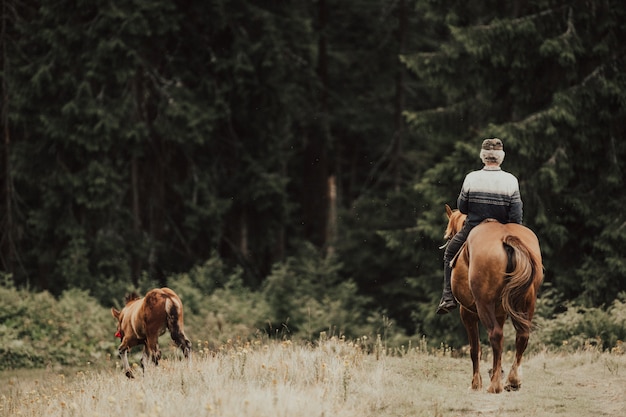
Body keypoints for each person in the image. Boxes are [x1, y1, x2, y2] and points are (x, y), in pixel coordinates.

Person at [436, 138, 523, 314]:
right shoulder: (511, 180)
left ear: (483, 157)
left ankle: (447, 297)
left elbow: (462, 208)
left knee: (449, 253)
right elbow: (516, 215)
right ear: (501, 157)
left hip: (474, 228)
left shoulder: (471, 178)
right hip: (504, 229)